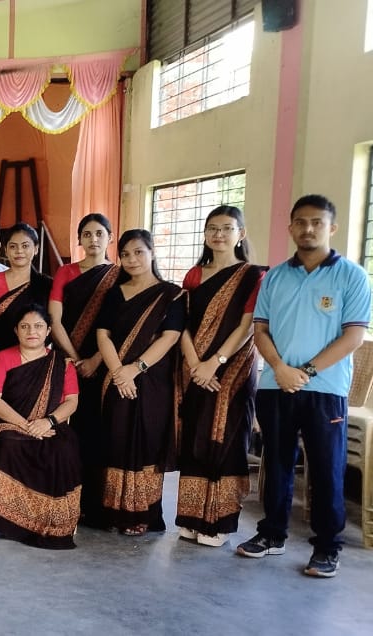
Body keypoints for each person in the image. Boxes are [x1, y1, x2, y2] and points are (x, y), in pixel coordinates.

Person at [237, 194, 371, 578]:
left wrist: (306, 372)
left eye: (317, 222)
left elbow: (353, 337)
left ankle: (327, 547)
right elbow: (260, 330)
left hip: (324, 390)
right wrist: (280, 368)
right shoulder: (276, 276)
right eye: (301, 222)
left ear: (332, 227)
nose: (308, 229)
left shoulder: (351, 276)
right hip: (276, 384)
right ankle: (272, 534)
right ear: (290, 227)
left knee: (327, 469)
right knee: (276, 463)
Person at [174, 206, 265, 547]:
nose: (219, 234)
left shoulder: (253, 275)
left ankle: (219, 524)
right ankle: (191, 518)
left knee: (226, 440)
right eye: (212, 228)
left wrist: (216, 362)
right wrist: (195, 363)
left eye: (227, 228)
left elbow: (247, 326)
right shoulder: (195, 275)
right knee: (196, 438)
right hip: (194, 368)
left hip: (233, 370)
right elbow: (182, 323)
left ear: (241, 234)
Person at [95, 229, 185, 536]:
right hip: (116, 378)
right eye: (125, 254)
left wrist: (136, 368)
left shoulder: (172, 294)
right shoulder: (114, 294)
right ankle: (114, 511)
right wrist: (118, 371)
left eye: (138, 252)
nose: (132, 259)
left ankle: (143, 514)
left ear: (152, 253)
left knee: (147, 442)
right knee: (116, 440)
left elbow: (170, 337)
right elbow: (103, 335)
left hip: (153, 381)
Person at [0, 304, 81, 549]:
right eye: (25, 326)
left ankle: (51, 519)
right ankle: (9, 518)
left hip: (50, 424)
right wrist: (26, 425)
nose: (31, 332)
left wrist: (48, 421)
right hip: (10, 423)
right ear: (16, 330)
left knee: (63, 448)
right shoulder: (2, 358)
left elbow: (72, 401)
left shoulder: (62, 363)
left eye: (38, 326)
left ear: (48, 330)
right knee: (7, 444)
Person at [47, 213, 118, 528]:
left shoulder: (118, 274)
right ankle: (66, 499)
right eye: (87, 234)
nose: (93, 240)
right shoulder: (66, 272)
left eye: (99, 233)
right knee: (69, 432)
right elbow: (55, 319)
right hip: (68, 362)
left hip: (106, 362)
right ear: (79, 239)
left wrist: (96, 360)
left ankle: (97, 505)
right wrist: (75, 359)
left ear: (110, 237)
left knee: (100, 432)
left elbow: (121, 323)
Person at [0, 223, 52, 357]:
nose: (19, 251)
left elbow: (51, 322)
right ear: (5, 250)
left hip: (35, 355)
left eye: (25, 246)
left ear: (36, 249)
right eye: (13, 246)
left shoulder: (46, 284)